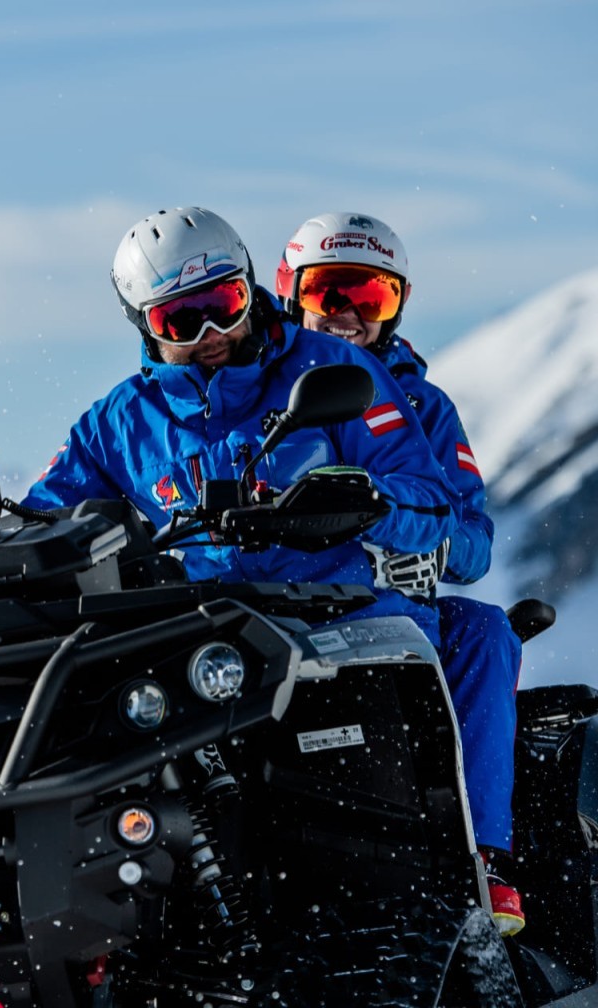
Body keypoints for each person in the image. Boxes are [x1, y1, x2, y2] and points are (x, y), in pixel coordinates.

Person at [19, 206, 512, 934]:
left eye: (220, 306)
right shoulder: (117, 421)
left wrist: (363, 502)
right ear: (143, 325)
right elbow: (47, 526)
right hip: (192, 637)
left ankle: (465, 869)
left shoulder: (337, 375)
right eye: (180, 321)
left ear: (251, 290)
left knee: (471, 638)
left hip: (333, 611)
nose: (209, 336)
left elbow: (441, 508)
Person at [275, 210, 524, 935]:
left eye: (372, 296)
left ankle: (482, 855)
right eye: (331, 293)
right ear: (291, 293)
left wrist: (388, 518)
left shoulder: (425, 408)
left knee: (481, 631)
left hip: (390, 608)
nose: (349, 314)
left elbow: (473, 544)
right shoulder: (260, 391)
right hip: (275, 603)